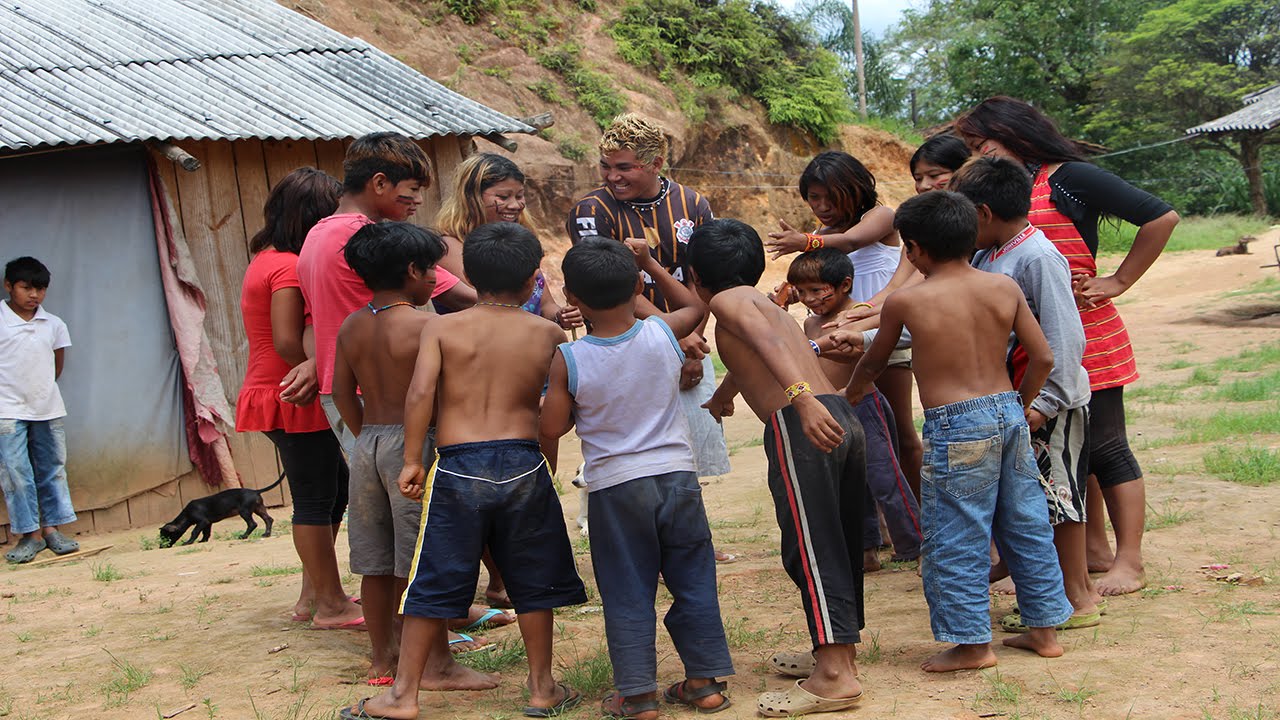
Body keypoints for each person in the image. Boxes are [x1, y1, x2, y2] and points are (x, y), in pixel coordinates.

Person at [347, 222, 587, 720]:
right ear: (532, 280)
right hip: (523, 462)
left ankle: (403, 695)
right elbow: (553, 411)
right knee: (531, 579)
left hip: (458, 465)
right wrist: (548, 460)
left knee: (432, 578)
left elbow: (420, 393)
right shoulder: (547, 332)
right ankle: (542, 687)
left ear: (469, 278)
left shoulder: (442, 327)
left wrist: (413, 460)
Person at [837, 191, 1073, 672]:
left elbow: (875, 360)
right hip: (1007, 412)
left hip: (956, 423)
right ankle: (1044, 630)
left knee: (955, 534)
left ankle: (971, 645)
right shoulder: (1003, 287)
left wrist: (851, 394)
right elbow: (1044, 357)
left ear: (915, 249)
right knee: (1025, 523)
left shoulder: (906, 300)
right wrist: (1019, 402)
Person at [954, 96, 1180, 596]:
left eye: (981, 144)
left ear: (1012, 134)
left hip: (1085, 334)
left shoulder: (1071, 177)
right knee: (1070, 451)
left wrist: (1118, 280)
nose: (978, 155)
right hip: (1026, 344)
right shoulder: (1008, 188)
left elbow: (1161, 217)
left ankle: (1130, 561)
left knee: (1107, 447)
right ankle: (1092, 550)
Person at [541, 238, 734, 720]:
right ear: (636, 288)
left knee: (627, 589)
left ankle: (638, 695)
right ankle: (705, 684)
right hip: (677, 478)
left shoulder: (569, 358)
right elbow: (696, 306)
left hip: (615, 487)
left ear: (572, 297)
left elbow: (553, 426)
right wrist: (650, 263)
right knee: (693, 579)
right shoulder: (661, 332)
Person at [689, 220, 864, 718]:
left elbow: (765, 343)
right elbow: (762, 354)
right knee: (836, 543)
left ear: (696, 275)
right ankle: (837, 654)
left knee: (811, 549)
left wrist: (800, 399)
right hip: (840, 415)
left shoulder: (728, 301)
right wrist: (724, 396)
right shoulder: (763, 303)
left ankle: (835, 675)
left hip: (804, 423)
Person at [332, 222, 512, 686]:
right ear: (412, 270)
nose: (436, 277)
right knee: (422, 557)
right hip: (418, 445)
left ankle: (382, 658)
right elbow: (446, 390)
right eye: (432, 268)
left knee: (375, 561)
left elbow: (342, 394)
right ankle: (436, 664)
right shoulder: (428, 325)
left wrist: (366, 438)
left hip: (368, 445)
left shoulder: (351, 325)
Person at [950, 157, 1100, 631]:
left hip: (1049, 404)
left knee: (1060, 497)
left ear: (983, 213)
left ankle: (1078, 597)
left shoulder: (1036, 257)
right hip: (1015, 402)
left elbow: (1064, 337)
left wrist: (1045, 404)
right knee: (1032, 498)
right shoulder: (987, 255)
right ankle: (1052, 594)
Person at [567, 114, 732, 540]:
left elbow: (703, 279)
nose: (612, 176)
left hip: (689, 337)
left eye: (624, 167)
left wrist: (694, 340)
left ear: (656, 163)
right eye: (606, 166)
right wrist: (678, 336)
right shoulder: (591, 211)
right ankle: (644, 542)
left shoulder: (693, 204)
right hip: (623, 346)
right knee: (634, 450)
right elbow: (611, 286)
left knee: (684, 452)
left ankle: (687, 539)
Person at [235, 168, 362, 628]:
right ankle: (328, 604)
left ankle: (315, 596)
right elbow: (289, 341)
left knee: (333, 491)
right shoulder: (288, 265)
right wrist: (319, 366)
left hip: (282, 389)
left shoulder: (267, 257)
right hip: (291, 392)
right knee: (315, 496)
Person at [766, 151, 925, 518]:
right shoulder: (821, 236)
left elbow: (852, 241)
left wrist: (807, 242)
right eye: (814, 198)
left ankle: (922, 514)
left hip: (885, 335)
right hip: (841, 343)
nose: (822, 207)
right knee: (860, 433)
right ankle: (882, 522)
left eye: (831, 197)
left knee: (901, 434)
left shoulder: (880, 217)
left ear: (855, 190)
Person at [786, 249, 921, 570]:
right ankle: (866, 550)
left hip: (864, 405)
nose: (809, 299)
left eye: (816, 290)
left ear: (844, 285)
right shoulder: (810, 323)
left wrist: (816, 348)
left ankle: (914, 543)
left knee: (885, 478)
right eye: (801, 291)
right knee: (849, 484)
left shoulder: (858, 314)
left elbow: (857, 354)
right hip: (832, 409)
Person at [436, 153, 580, 329]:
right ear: (472, 197)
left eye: (519, 196)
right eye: (503, 197)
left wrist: (560, 316)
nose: (515, 205)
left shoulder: (518, 243)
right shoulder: (450, 248)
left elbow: (545, 304)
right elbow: (487, 308)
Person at [1, 257, 79, 564]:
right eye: (26, 287)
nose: (34, 295)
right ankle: (29, 535)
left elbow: (56, 367)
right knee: (16, 473)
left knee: (52, 470)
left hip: (47, 408)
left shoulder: (54, 324)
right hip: (7, 410)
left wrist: (40, 392)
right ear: (9, 286)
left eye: (41, 289)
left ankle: (52, 530)